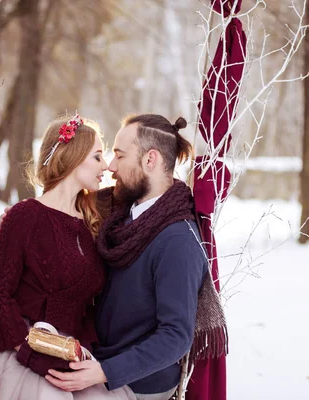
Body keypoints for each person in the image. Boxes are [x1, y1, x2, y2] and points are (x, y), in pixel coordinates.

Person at [0, 115, 134, 400]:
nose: (106, 166)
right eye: (97, 156)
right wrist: (29, 350)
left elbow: (146, 197)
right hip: (16, 348)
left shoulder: (91, 221)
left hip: (68, 352)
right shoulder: (25, 216)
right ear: (73, 157)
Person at [44, 114, 209, 400]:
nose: (110, 166)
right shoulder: (120, 211)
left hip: (138, 382)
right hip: (97, 355)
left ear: (150, 160)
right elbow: (66, 206)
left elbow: (176, 336)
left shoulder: (178, 241)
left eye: (119, 156)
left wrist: (104, 372)